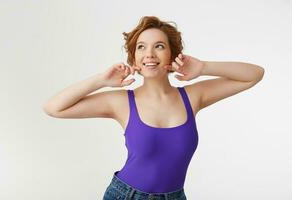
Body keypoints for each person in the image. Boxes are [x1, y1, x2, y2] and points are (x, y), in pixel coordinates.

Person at [43, 16, 265, 200]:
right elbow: (54, 108)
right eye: (141, 47)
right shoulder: (121, 101)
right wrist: (101, 80)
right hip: (126, 195)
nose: (149, 54)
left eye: (159, 46)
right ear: (135, 58)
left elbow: (254, 75)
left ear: (172, 53)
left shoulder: (193, 96)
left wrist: (204, 67)